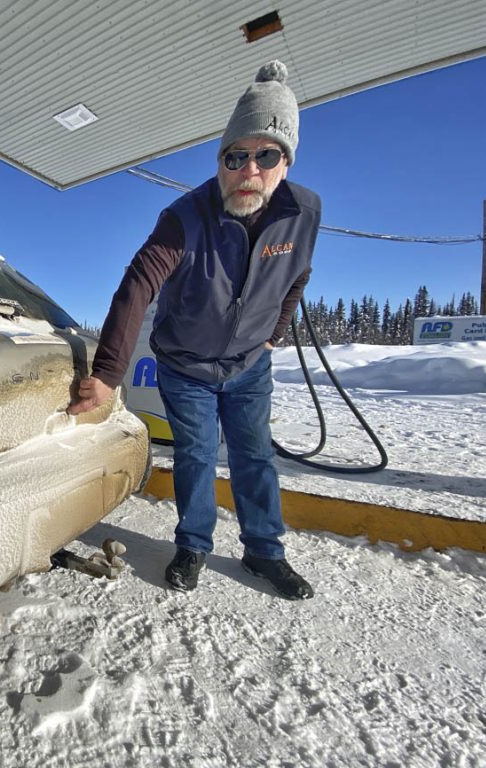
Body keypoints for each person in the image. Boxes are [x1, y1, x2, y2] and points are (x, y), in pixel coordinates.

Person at [67, 60, 320, 600]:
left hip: (251, 363)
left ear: (286, 162)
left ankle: (263, 552)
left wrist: (276, 330)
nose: (248, 169)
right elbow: (138, 284)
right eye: (236, 155)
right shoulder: (184, 216)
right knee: (198, 454)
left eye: (265, 155)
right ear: (221, 158)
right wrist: (108, 374)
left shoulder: (304, 213)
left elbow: (299, 275)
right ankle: (193, 545)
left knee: (254, 455)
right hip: (185, 364)